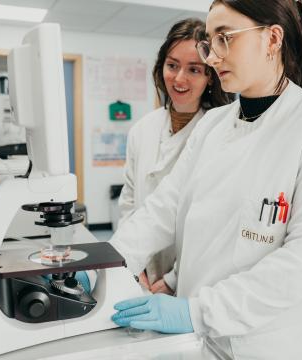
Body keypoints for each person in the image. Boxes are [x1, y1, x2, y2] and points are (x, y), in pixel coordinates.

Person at [109, 0, 302, 358]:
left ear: (272, 39)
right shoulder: (213, 125)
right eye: (210, 42)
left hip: (267, 344)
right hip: (198, 340)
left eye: (225, 38)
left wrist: (196, 311)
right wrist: (109, 262)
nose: (212, 57)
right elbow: (163, 208)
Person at [117, 18, 232, 295]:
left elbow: (215, 223)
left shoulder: (221, 134)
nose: (179, 79)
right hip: (145, 271)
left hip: (194, 280)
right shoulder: (142, 130)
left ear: (210, 77)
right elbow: (129, 205)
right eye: (172, 65)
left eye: (194, 69)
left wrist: (173, 280)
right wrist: (133, 264)